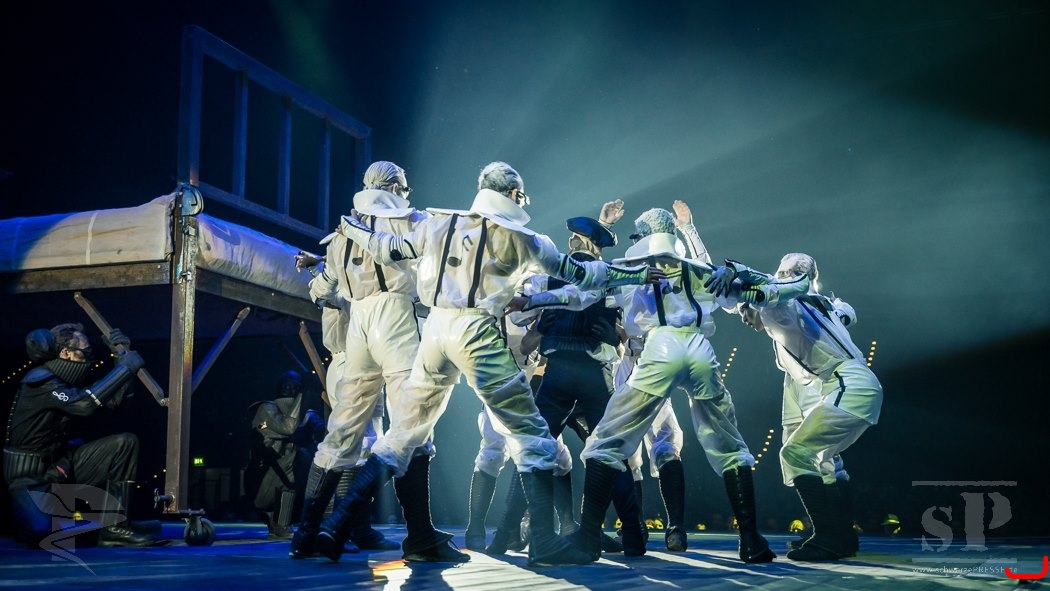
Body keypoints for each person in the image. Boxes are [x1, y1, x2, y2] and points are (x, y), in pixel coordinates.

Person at [316, 161, 662, 567]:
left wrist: (353, 229)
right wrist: (635, 276)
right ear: (514, 195)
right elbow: (582, 275)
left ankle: (334, 524)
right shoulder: (522, 238)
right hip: (476, 330)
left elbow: (386, 248)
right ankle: (545, 544)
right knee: (533, 436)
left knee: (402, 433)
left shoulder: (440, 223)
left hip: (436, 330)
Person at [561, 207, 776, 564]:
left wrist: (538, 297)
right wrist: (731, 269)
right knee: (728, 444)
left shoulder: (632, 267)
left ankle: (588, 539)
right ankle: (751, 540)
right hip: (699, 348)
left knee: (606, 442)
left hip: (655, 350)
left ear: (643, 236)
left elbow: (586, 286)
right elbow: (739, 292)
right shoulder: (699, 268)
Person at [289, 161, 433, 560]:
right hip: (395, 318)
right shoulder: (410, 221)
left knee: (342, 430)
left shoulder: (340, 234)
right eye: (404, 187)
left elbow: (321, 290)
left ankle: (306, 535)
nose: (407, 194)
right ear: (394, 187)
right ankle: (418, 537)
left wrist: (321, 273)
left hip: (358, 329)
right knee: (412, 425)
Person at [498, 200, 648, 556]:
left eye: (574, 239)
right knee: (610, 451)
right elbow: (633, 322)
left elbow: (517, 318)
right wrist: (616, 335)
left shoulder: (547, 276)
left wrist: (540, 315)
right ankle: (632, 533)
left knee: (534, 448)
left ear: (577, 243)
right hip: (596, 376)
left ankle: (506, 531)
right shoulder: (609, 276)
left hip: (556, 373)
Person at [723, 252, 883, 561]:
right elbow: (844, 311)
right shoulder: (821, 304)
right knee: (822, 458)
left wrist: (734, 273)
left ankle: (828, 538)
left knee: (796, 453)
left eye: (789, 273)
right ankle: (842, 537)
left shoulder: (788, 305)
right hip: (846, 382)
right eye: (782, 272)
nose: (783, 277)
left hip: (844, 383)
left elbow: (762, 294)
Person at [3, 324, 160, 547]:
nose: (89, 359)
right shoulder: (41, 383)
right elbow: (85, 404)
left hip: (61, 467)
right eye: (85, 353)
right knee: (41, 534)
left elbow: (114, 401)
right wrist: (125, 368)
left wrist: (119, 358)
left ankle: (115, 527)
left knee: (124, 443)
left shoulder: (67, 382)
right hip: (30, 479)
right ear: (66, 353)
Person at [246, 370, 323, 540]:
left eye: (296, 386)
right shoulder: (266, 408)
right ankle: (277, 523)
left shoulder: (307, 415)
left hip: (287, 477)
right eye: (288, 385)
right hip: (263, 475)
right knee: (295, 465)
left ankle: (281, 524)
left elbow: (320, 436)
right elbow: (288, 427)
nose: (291, 389)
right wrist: (303, 396)